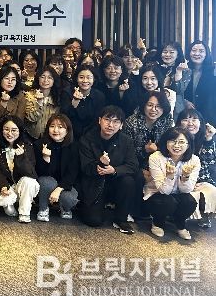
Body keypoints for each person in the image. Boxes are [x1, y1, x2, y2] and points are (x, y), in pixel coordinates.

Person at [78, 105, 138, 234]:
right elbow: (85, 167)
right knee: (93, 221)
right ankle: (102, 208)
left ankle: (121, 218)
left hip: (116, 182)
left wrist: (114, 170)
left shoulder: (126, 141)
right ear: (100, 120)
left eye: (116, 121)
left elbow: (133, 165)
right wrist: (99, 164)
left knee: (128, 181)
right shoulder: (87, 139)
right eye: (107, 120)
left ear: (121, 125)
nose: (111, 125)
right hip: (94, 183)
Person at [122, 90, 173, 219]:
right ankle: (135, 211)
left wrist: (156, 153)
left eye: (158, 106)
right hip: (135, 162)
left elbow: (169, 148)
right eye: (150, 105)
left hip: (159, 162)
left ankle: (161, 212)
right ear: (143, 105)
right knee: (138, 177)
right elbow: (125, 150)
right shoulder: (131, 122)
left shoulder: (167, 122)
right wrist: (144, 150)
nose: (153, 109)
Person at [143, 127, 200, 240]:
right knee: (167, 202)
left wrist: (185, 177)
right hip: (157, 193)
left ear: (188, 145)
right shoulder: (156, 157)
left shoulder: (194, 160)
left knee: (190, 202)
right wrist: (169, 177)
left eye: (181, 142)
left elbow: (186, 190)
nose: (177, 145)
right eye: (173, 141)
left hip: (179, 193)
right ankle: (157, 223)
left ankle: (180, 224)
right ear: (166, 142)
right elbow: (164, 191)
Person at [0, 116, 39, 223]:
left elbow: (31, 173)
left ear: (20, 131)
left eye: (14, 130)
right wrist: (2, 186)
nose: (9, 133)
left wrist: (21, 157)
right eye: (6, 129)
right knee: (9, 212)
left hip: (22, 186)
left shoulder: (27, 146)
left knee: (29, 181)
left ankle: (24, 213)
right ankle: (13, 205)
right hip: (8, 186)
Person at [34, 114, 80, 221]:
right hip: (47, 184)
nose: (55, 130)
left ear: (67, 131)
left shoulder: (74, 147)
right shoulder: (39, 145)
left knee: (69, 198)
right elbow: (39, 173)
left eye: (60, 127)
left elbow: (72, 174)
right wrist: (46, 159)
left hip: (65, 185)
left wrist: (58, 189)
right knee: (46, 182)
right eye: (52, 126)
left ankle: (65, 208)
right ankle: (43, 208)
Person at [177, 108, 216, 229]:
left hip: (200, 178)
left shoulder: (205, 140)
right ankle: (179, 216)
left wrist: (209, 139)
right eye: (186, 119)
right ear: (179, 122)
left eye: (194, 119)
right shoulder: (175, 138)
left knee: (210, 190)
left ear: (201, 123)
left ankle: (204, 214)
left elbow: (209, 162)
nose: (190, 123)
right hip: (179, 177)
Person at [61, 65, 105, 139]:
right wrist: (74, 102)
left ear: (94, 79)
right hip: (70, 134)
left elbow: (97, 120)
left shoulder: (99, 96)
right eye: (81, 77)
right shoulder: (67, 93)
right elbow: (64, 117)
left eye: (89, 77)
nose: (85, 81)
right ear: (76, 79)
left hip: (92, 135)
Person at [25, 67, 62, 140]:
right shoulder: (28, 96)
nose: (45, 80)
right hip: (31, 137)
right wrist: (39, 103)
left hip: (51, 137)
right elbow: (31, 118)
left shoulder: (56, 97)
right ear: (38, 78)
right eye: (42, 77)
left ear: (54, 80)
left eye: (50, 78)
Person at [184, 40, 216, 123]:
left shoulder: (213, 71)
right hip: (187, 117)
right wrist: (184, 101)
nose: (197, 54)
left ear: (206, 54)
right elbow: (177, 91)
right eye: (194, 50)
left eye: (201, 51)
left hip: (209, 116)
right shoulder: (184, 70)